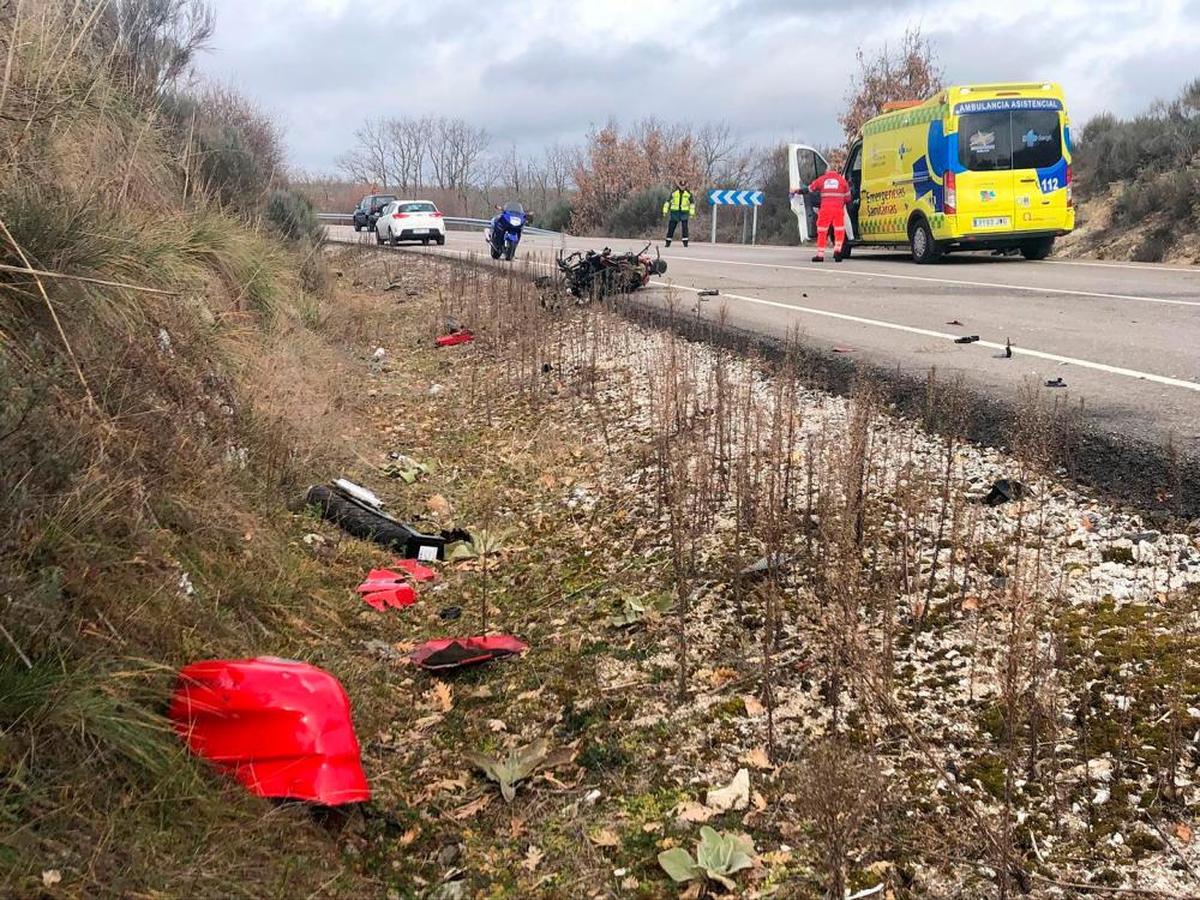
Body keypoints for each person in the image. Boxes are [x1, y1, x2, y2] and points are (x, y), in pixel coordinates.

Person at [800, 169, 851, 262]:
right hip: (838, 210)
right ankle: (838, 251)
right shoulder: (842, 181)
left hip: (825, 210)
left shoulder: (822, 179)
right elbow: (848, 198)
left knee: (822, 231)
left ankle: (820, 255)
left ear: (827, 171)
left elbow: (810, 189)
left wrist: (798, 191)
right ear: (837, 172)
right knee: (839, 230)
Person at [662, 180, 696, 248]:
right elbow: (668, 202)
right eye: (681, 186)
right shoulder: (674, 193)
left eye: (684, 186)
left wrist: (692, 213)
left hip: (684, 213)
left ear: (686, 185)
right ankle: (668, 242)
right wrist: (665, 211)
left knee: (685, 228)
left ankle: (685, 243)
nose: (682, 187)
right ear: (679, 185)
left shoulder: (688, 193)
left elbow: (692, 204)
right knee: (671, 228)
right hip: (675, 212)